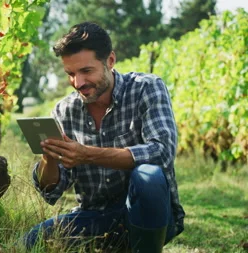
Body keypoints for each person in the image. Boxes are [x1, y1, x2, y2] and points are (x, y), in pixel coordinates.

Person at [23, 22, 185, 252]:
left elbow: (162, 153)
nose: (78, 83)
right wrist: (50, 159)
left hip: (149, 215)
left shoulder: (146, 88)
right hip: (94, 218)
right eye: (70, 74)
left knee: (148, 174)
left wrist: (88, 155)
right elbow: (52, 192)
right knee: (31, 241)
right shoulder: (64, 111)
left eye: (86, 71)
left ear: (110, 60)